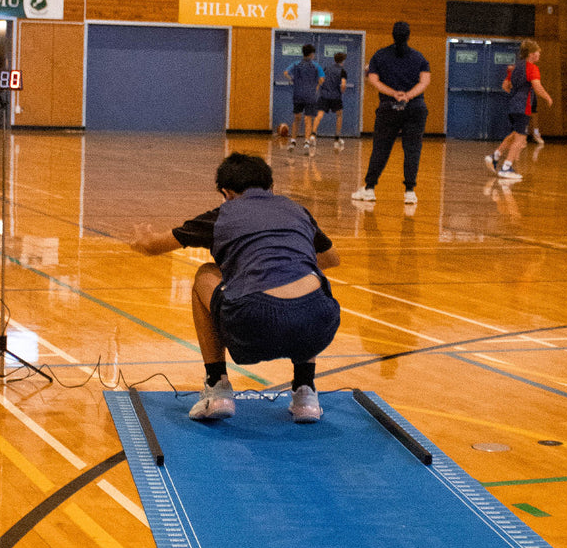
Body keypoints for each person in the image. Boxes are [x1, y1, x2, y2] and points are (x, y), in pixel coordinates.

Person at [130, 152, 340, 423]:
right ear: (271, 187)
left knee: (204, 275)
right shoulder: (296, 210)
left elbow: (152, 246)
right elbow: (332, 259)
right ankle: (305, 393)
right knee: (308, 279)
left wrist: (141, 240)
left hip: (253, 322)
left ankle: (217, 387)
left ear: (226, 193)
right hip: (319, 327)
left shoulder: (221, 216)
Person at [352, 21, 430, 205]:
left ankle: (369, 189)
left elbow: (373, 80)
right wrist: (408, 96)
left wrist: (394, 94)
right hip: (415, 108)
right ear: (409, 36)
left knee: (381, 148)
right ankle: (410, 192)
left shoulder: (380, 55)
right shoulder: (419, 57)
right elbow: (425, 81)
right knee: (412, 150)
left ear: (392, 35)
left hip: (389, 107)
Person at [484, 39, 552, 182]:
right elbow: (537, 86)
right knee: (520, 139)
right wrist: (547, 97)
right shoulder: (532, 68)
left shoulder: (515, 68)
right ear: (531, 54)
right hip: (523, 107)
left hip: (512, 105)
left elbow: (505, 86)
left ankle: (495, 156)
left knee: (515, 134)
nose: (539, 55)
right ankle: (506, 167)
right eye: (538, 52)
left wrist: (516, 93)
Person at [283, 44, 324, 153]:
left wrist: (293, 80)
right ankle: (306, 142)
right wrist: (316, 87)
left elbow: (286, 73)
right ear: (311, 54)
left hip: (298, 95)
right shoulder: (316, 66)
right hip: (310, 96)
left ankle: (293, 141)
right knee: (308, 119)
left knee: (297, 118)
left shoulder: (296, 64)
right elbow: (321, 79)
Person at [313, 50, 348, 147]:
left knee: (319, 114)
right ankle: (337, 137)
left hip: (324, 95)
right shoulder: (342, 71)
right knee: (339, 115)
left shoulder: (326, 68)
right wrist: (342, 90)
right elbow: (343, 85)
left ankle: (313, 134)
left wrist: (316, 90)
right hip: (335, 96)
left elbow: (321, 80)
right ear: (342, 61)